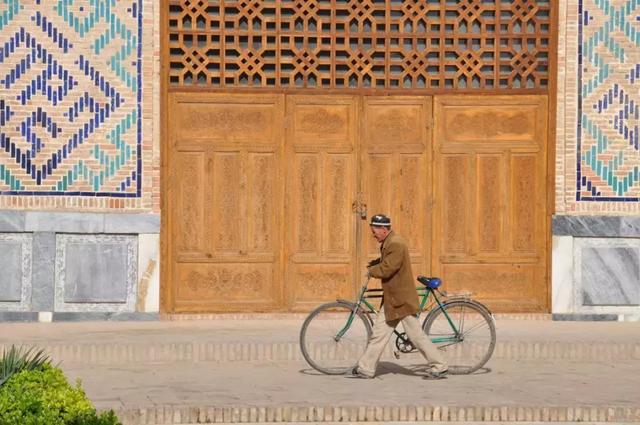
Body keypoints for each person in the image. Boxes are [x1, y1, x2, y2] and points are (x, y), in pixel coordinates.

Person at [351, 214, 448, 379]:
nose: (373, 234)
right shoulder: (390, 242)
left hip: (401, 299)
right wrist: (376, 263)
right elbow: (388, 261)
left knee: (415, 335)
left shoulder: (396, 243)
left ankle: (439, 365)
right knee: (379, 333)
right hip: (392, 299)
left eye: (375, 231)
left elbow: (388, 268)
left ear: (383, 229)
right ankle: (365, 368)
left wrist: (372, 271)